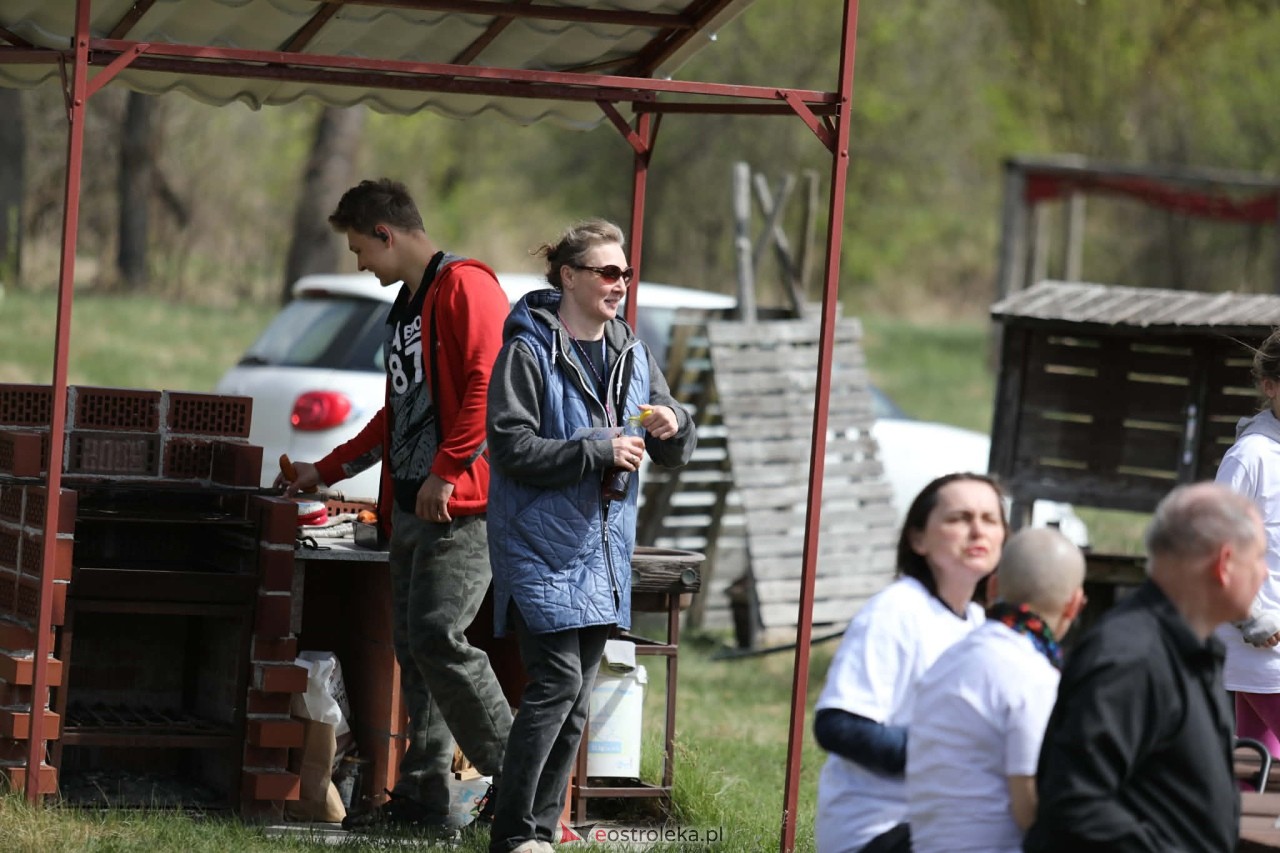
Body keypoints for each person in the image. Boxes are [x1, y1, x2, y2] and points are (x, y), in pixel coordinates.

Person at [279, 178, 514, 835]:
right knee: (414, 647)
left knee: (441, 636)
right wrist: (321, 471)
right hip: (412, 507)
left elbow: (487, 382)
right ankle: (425, 801)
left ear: (387, 233)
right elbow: (398, 415)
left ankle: (524, 777)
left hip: (461, 507)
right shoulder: (410, 305)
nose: (360, 264)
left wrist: (447, 471)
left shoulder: (466, 286)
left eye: (360, 250)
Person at [483, 219, 696, 853]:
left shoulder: (631, 347)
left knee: (576, 700)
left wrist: (672, 420)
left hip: (603, 550)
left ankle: (540, 834)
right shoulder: (528, 349)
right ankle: (513, 833)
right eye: (607, 272)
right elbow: (510, 445)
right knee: (553, 686)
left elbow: (678, 443)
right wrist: (596, 448)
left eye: (625, 274)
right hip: (537, 545)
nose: (619, 284)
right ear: (569, 276)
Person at [1023, 481, 1267, 853]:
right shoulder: (1129, 657)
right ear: (1224, 564)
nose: (1265, 574)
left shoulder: (1189, 648)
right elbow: (1075, 804)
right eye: (1259, 558)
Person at [813, 472, 1008, 853]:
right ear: (918, 538)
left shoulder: (980, 623)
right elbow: (837, 724)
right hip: (879, 832)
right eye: (959, 518)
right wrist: (948, 757)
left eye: (990, 519)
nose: (977, 531)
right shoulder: (896, 611)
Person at [905, 527, 1086, 853]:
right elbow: (1028, 809)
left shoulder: (947, 660)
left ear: (992, 586)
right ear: (1074, 605)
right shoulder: (1033, 678)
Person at [1214, 329, 1280, 758]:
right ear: (1270, 385)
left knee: (1258, 770)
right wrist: (1250, 618)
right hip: (1264, 651)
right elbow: (1211, 549)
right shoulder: (1251, 456)